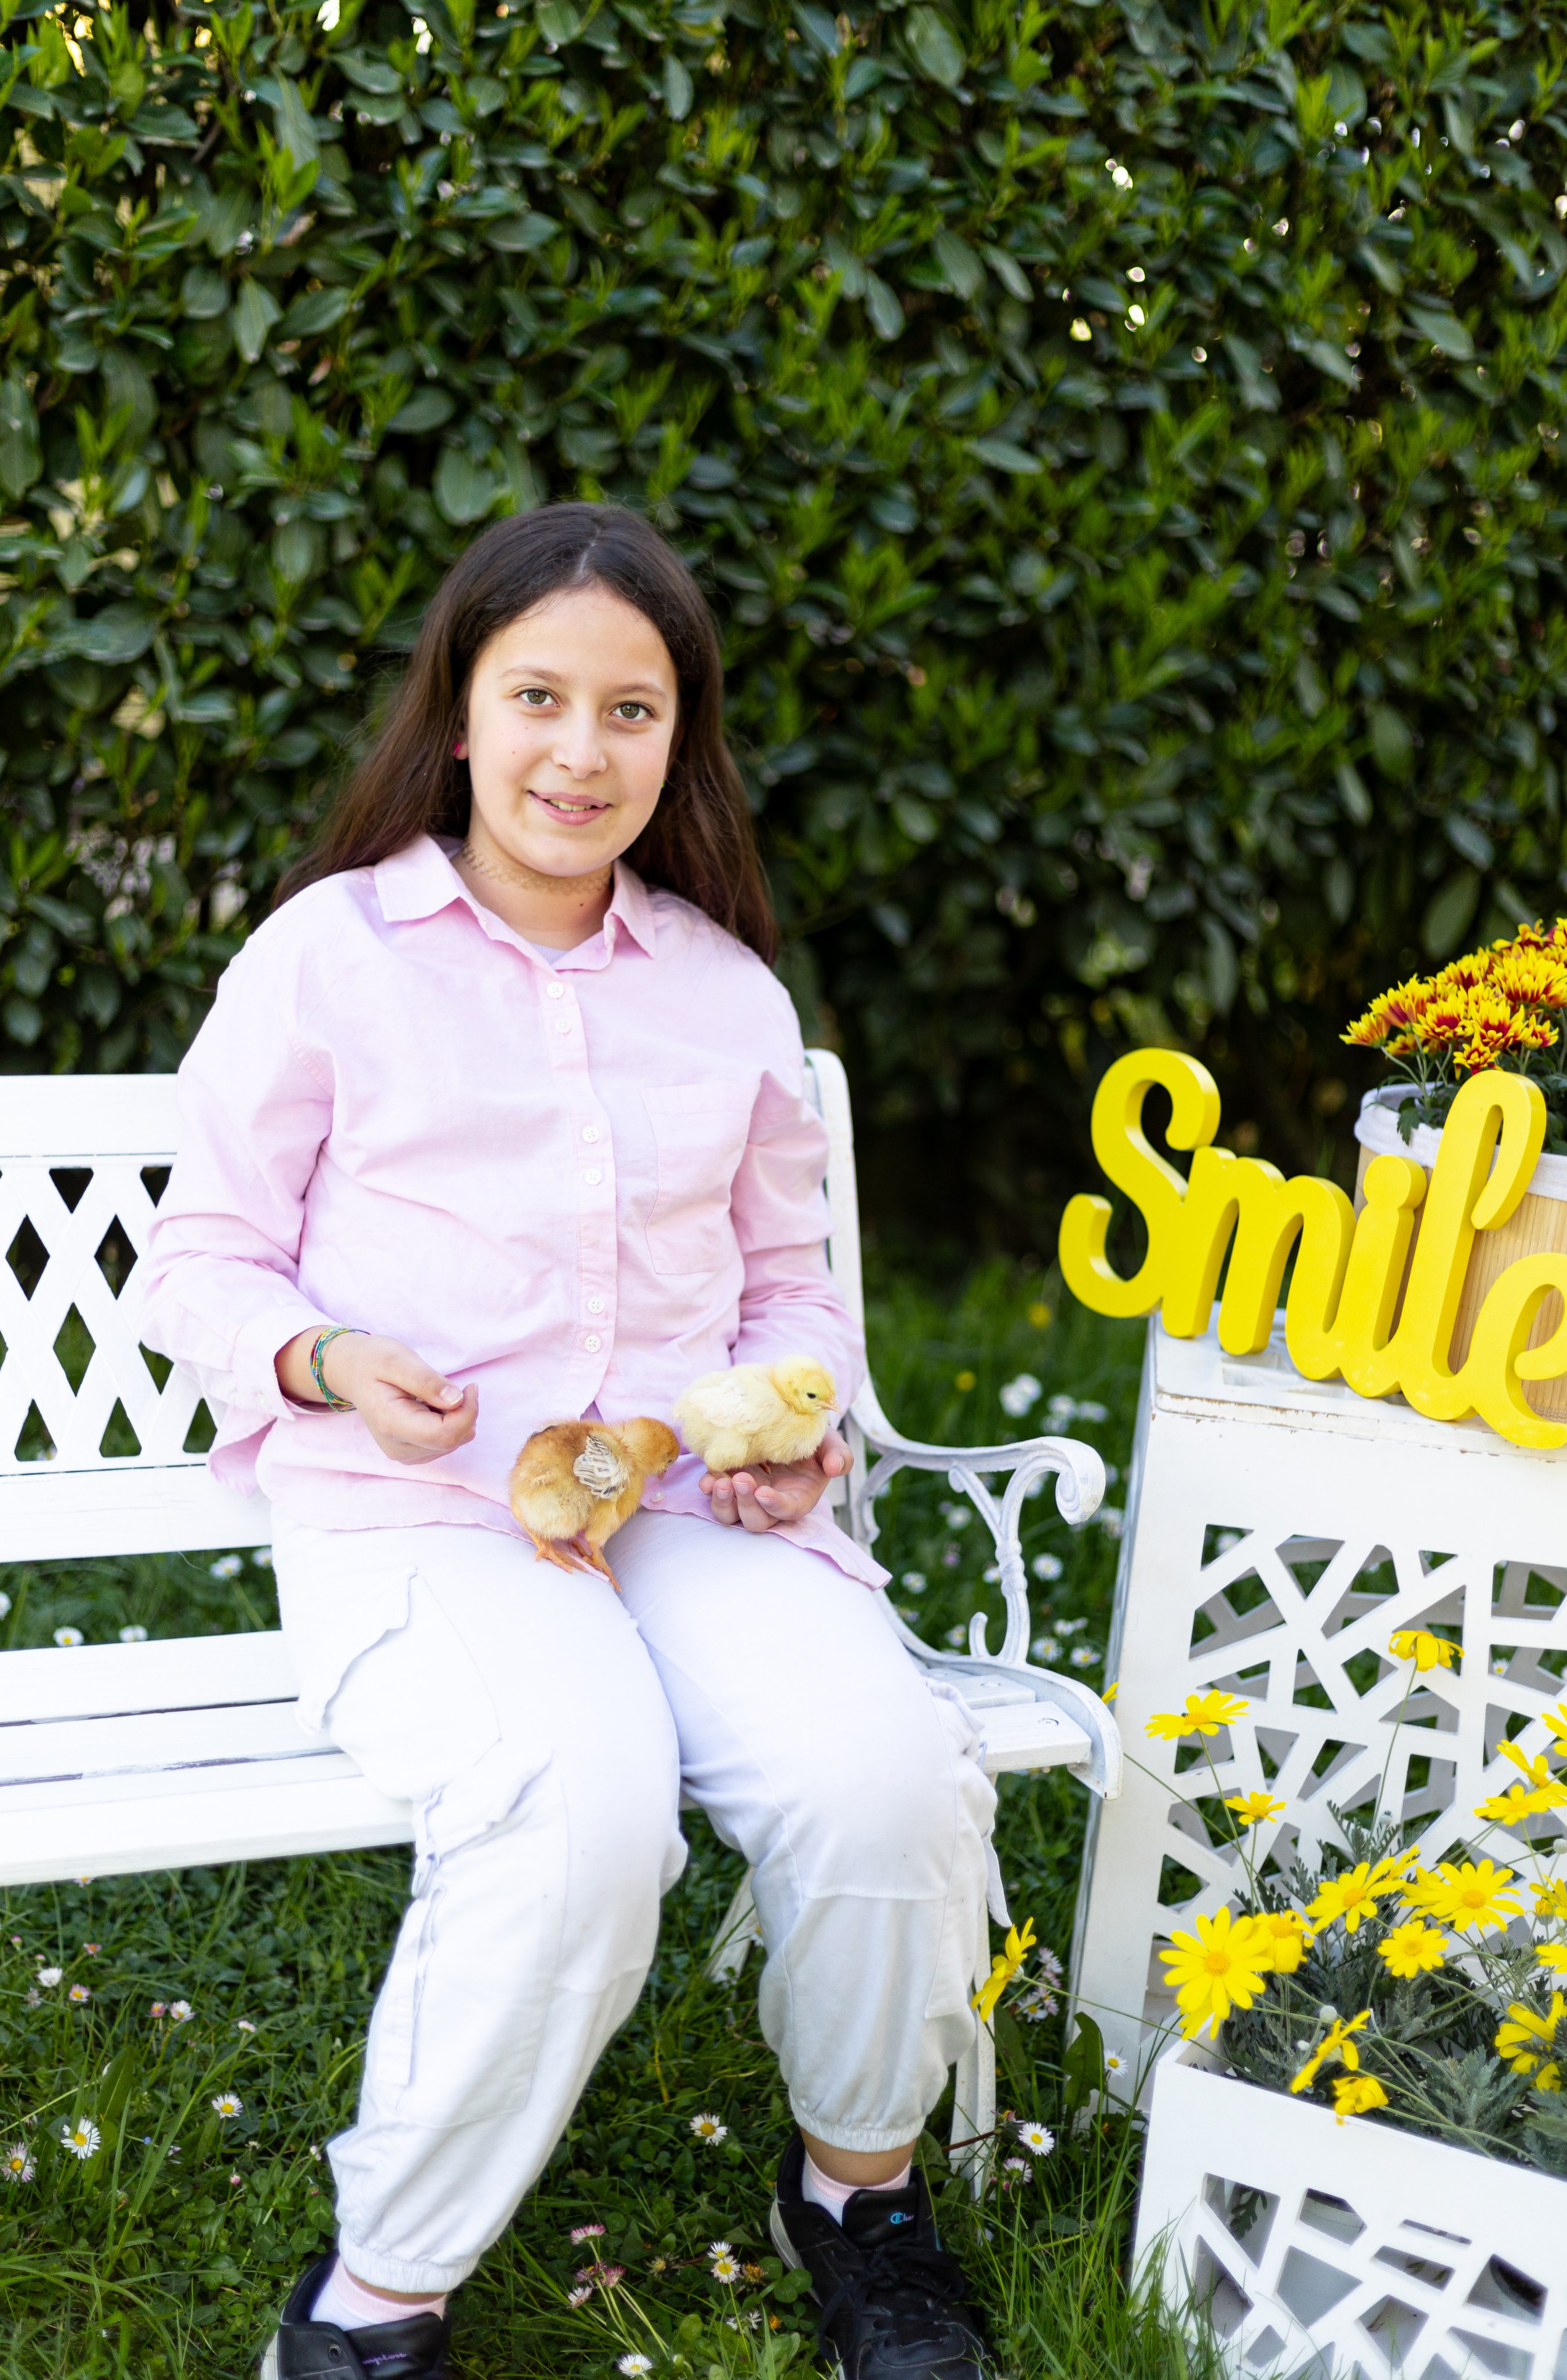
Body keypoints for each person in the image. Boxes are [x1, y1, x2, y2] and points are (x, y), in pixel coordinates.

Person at [141, 503, 998, 2380]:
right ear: (460, 712)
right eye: (538, 697)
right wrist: (327, 1357)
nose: (579, 752)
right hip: (423, 1508)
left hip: (682, 1505)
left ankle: (859, 2200)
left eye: (632, 710)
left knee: (886, 1777)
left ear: (679, 741)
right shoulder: (328, 957)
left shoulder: (722, 990)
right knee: (582, 1805)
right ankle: (375, 2304)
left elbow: (792, 1290)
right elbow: (197, 1256)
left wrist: (796, 1428)